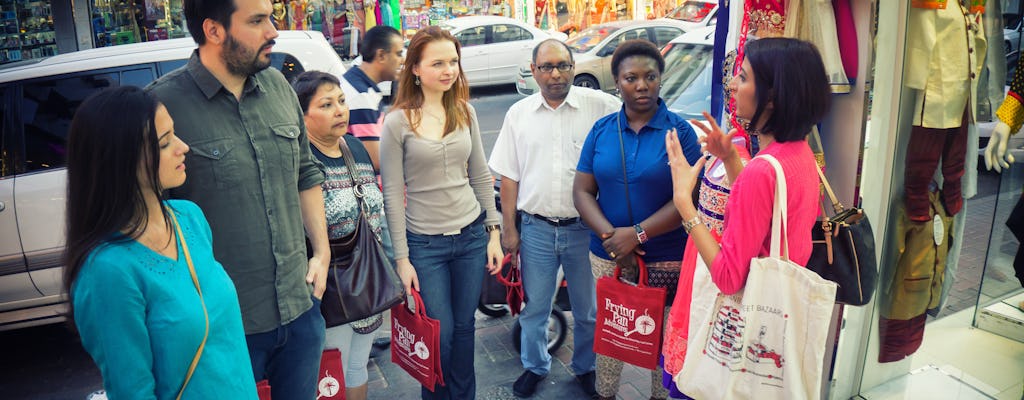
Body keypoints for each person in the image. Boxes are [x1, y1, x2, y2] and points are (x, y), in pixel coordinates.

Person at [146, 0, 332, 397]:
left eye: (272, 17)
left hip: (300, 306)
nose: (273, 31)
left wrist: (322, 252)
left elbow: (305, 173)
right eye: (258, 21)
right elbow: (147, 216)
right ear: (214, 31)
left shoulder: (280, 86)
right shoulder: (162, 108)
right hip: (220, 327)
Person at [65, 86, 257, 399]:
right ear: (120, 159)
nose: (183, 147)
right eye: (165, 142)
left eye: (174, 134)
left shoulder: (189, 218)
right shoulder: (107, 270)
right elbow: (132, 391)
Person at [488, 39, 620, 399]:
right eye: (546, 67)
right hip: (536, 230)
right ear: (534, 71)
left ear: (574, 66)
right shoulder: (519, 114)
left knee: (588, 310)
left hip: (586, 231)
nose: (555, 73)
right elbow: (509, 176)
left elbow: (638, 118)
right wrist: (510, 230)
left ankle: (585, 367)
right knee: (535, 308)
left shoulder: (602, 107)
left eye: (562, 65)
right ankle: (535, 365)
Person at [666, 36, 830, 324]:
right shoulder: (799, 153)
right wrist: (730, 159)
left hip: (751, 317)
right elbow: (758, 212)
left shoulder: (763, 169)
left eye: (742, 77)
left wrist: (684, 205)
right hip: (780, 308)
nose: (732, 85)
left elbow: (729, 278)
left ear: (770, 97)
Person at [572, 39, 702, 400]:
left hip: (666, 256)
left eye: (650, 76)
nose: (641, 85)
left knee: (662, 338)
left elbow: (687, 200)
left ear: (661, 79)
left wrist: (638, 235)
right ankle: (605, 393)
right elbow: (582, 191)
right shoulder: (601, 130)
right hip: (606, 254)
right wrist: (616, 241)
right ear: (617, 82)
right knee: (613, 333)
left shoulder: (680, 133)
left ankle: (660, 396)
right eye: (631, 78)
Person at [380, 26, 503, 400]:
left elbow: (481, 174)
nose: (449, 70)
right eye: (438, 63)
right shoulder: (397, 121)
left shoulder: (464, 111)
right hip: (424, 245)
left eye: (453, 61)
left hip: (469, 236)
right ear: (415, 68)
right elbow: (392, 193)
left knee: (465, 330)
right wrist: (402, 259)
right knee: (439, 334)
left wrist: (493, 233)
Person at [292, 71, 392, 400]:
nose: (340, 110)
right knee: (330, 374)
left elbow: (377, 211)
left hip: (367, 282)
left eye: (341, 101)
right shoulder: (300, 161)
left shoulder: (355, 149)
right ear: (301, 115)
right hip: (329, 290)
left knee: (357, 366)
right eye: (326, 104)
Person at [342, 25, 405, 171]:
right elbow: (376, 161)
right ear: (381, 55)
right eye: (398, 53)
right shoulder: (362, 96)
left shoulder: (356, 82)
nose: (402, 61)